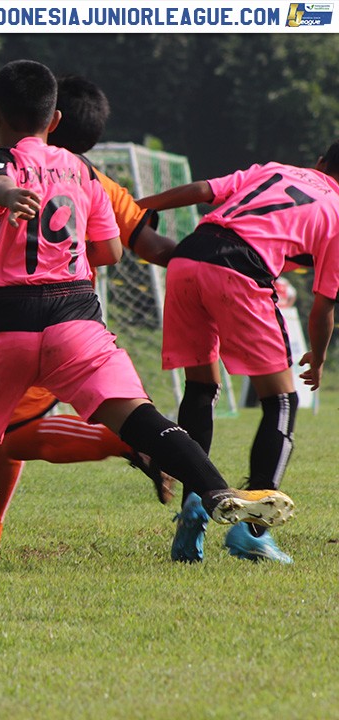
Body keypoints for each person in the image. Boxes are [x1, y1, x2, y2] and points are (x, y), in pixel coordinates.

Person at [0, 59, 294, 567]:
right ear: (55, 120)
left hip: (11, 325)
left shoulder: (2, 166)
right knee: (144, 421)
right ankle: (215, 491)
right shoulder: (84, 172)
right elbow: (110, 250)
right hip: (76, 322)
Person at [0, 74, 178, 562]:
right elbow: (146, 247)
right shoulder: (99, 181)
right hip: (80, 321)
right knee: (7, 434)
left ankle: (124, 442)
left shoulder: (15, 173)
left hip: (30, 322)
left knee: (9, 437)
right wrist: (210, 258)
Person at [137, 140, 339, 564]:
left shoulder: (273, 169)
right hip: (240, 268)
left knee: (200, 388)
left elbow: (200, 191)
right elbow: (322, 307)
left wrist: (144, 204)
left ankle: (194, 507)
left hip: (189, 258)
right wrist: (317, 359)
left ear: (320, 163)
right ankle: (253, 532)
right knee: (281, 401)